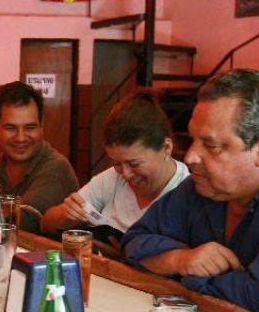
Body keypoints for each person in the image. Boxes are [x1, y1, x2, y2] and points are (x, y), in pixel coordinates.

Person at [121, 69, 259, 312]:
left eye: (211, 145)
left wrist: (179, 275)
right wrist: (183, 260)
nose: (189, 157)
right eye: (192, 139)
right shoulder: (204, 185)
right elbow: (133, 242)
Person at [41, 88, 190, 258]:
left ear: (166, 148)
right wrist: (67, 216)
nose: (125, 174)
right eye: (116, 163)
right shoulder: (112, 178)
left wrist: (127, 257)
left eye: (134, 164)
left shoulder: (185, 192)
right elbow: (47, 223)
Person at [0, 81, 79, 233]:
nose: (21, 138)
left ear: (42, 125)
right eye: (11, 128)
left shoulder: (56, 168)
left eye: (30, 127)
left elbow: (21, 222)